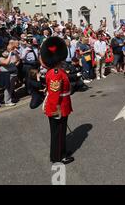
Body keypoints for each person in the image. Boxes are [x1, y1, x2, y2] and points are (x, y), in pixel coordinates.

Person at [40, 36, 74, 165]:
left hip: (62, 104)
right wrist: (56, 110)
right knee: (58, 134)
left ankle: (60, 152)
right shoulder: (55, 73)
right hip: (58, 106)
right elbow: (54, 95)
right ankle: (58, 157)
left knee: (60, 132)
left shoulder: (56, 71)